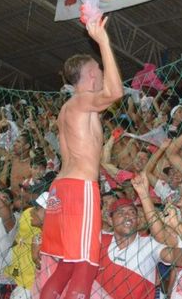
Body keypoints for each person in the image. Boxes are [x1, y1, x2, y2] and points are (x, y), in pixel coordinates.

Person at [40, 17, 123, 299]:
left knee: (65, 266)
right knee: (87, 265)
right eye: (98, 69)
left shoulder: (68, 107)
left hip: (60, 189)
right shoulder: (83, 101)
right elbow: (115, 92)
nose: (102, 72)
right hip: (79, 189)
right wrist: (103, 42)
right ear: (90, 75)